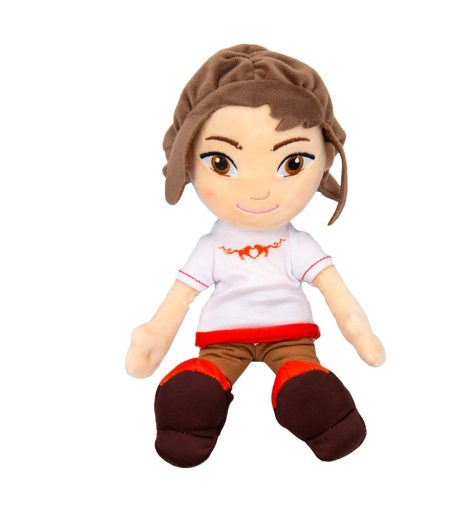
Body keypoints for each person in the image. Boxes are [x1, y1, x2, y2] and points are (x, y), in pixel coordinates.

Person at [125, 44, 386, 468]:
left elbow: (336, 293)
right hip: (223, 339)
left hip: (292, 337)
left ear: (324, 159)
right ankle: (192, 411)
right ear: (187, 160)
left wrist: (359, 332)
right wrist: (155, 334)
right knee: (196, 390)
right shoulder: (211, 246)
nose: (260, 191)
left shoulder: (299, 244)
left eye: (293, 162)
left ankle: (316, 406)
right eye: (221, 162)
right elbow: (179, 298)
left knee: (307, 387)